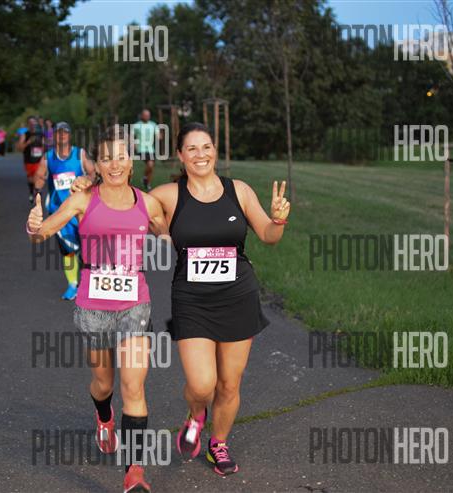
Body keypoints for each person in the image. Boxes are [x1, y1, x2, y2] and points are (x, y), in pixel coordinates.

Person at [71, 122, 290, 477]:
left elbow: (268, 235)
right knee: (202, 384)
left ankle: (218, 444)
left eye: (206, 147)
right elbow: (122, 197)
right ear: (180, 156)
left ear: (215, 151)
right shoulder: (168, 195)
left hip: (238, 295)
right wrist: (87, 187)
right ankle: (196, 413)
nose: (200, 154)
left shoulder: (239, 191)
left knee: (229, 383)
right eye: (192, 148)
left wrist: (278, 220)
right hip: (192, 299)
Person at [27, 125, 169, 493]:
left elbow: (168, 234)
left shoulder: (147, 203)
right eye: (107, 158)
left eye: (121, 157)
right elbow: (43, 233)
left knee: (133, 386)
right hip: (94, 307)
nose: (115, 164)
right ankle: (104, 417)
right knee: (104, 383)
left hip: (135, 304)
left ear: (131, 163)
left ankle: (134, 471)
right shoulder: (83, 200)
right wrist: (34, 226)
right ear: (98, 165)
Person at [34, 121, 95, 300]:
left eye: (65, 132)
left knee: (87, 249)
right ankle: (72, 285)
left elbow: (93, 173)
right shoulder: (48, 157)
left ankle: (88, 282)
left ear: (69, 135)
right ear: (54, 135)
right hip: (59, 211)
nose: (62, 135)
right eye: (58, 132)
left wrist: (86, 179)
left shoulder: (80, 154)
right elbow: (39, 177)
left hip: (82, 210)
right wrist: (38, 188)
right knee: (67, 250)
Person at [17, 117, 45, 204]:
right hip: (29, 160)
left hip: (39, 160)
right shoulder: (25, 135)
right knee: (31, 178)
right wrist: (28, 143)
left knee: (39, 176)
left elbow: (45, 146)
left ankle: (38, 193)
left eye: (34, 123)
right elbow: (20, 148)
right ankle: (31, 192)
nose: (33, 125)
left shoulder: (41, 134)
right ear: (28, 125)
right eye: (31, 123)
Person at [132, 109, 159, 191]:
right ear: (142, 116)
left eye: (148, 115)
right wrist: (134, 145)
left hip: (151, 149)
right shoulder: (136, 125)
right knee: (150, 164)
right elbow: (132, 136)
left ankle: (147, 184)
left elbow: (158, 135)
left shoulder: (153, 124)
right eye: (145, 115)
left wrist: (159, 136)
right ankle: (144, 178)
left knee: (151, 167)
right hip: (141, 149)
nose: (147, 117)